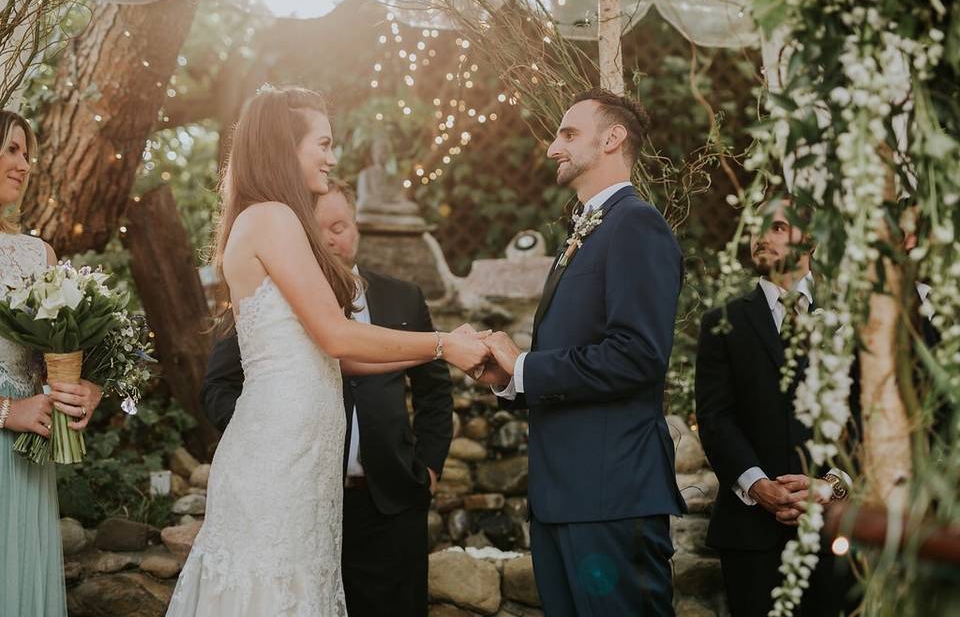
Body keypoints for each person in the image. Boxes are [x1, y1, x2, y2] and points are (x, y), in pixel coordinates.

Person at [165, 86, 487, 617]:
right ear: (283, 146)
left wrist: (439, 352)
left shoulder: (269, 218)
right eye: (323, 143)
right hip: (279, 454)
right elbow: (339, 336)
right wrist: (444, 343)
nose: (332, 157)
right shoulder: (272, 216)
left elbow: (345, 357)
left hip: (302, 457)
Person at [201, 178, 454, 616]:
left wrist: (427, 468)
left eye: (341, 225)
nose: (331, 238)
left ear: (357, 228)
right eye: (318, 228)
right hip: (301, 500)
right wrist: (265, 441)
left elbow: (434, 391)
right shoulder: (273, 298)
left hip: (390, 501)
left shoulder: (403, 296)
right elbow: (218, 387)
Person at [478, 88, 686, 616]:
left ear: (612, 138)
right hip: (563, 497)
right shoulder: (585, 230)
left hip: (610, 494)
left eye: (568, 134)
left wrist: (525, 367)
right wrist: (508, 379)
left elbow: (637, 356)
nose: (552, 148)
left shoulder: (636, 225)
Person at [695, 196, 856, 616]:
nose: (761, 236)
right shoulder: (722, 324)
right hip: (750, 534)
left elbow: (865, 417)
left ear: (812, 240)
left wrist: (834, 483)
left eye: (778, 227)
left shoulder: (850, 318)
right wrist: (756, 484)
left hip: (834, 528)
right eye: (755, 227)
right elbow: (715, 418)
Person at [0, 109, 104, 617]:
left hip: (27, 456)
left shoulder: (39, 256)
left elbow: (57, 357)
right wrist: (6, 411)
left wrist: (85, 387)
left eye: (26, 152)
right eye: (11, 149)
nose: (23, 164)